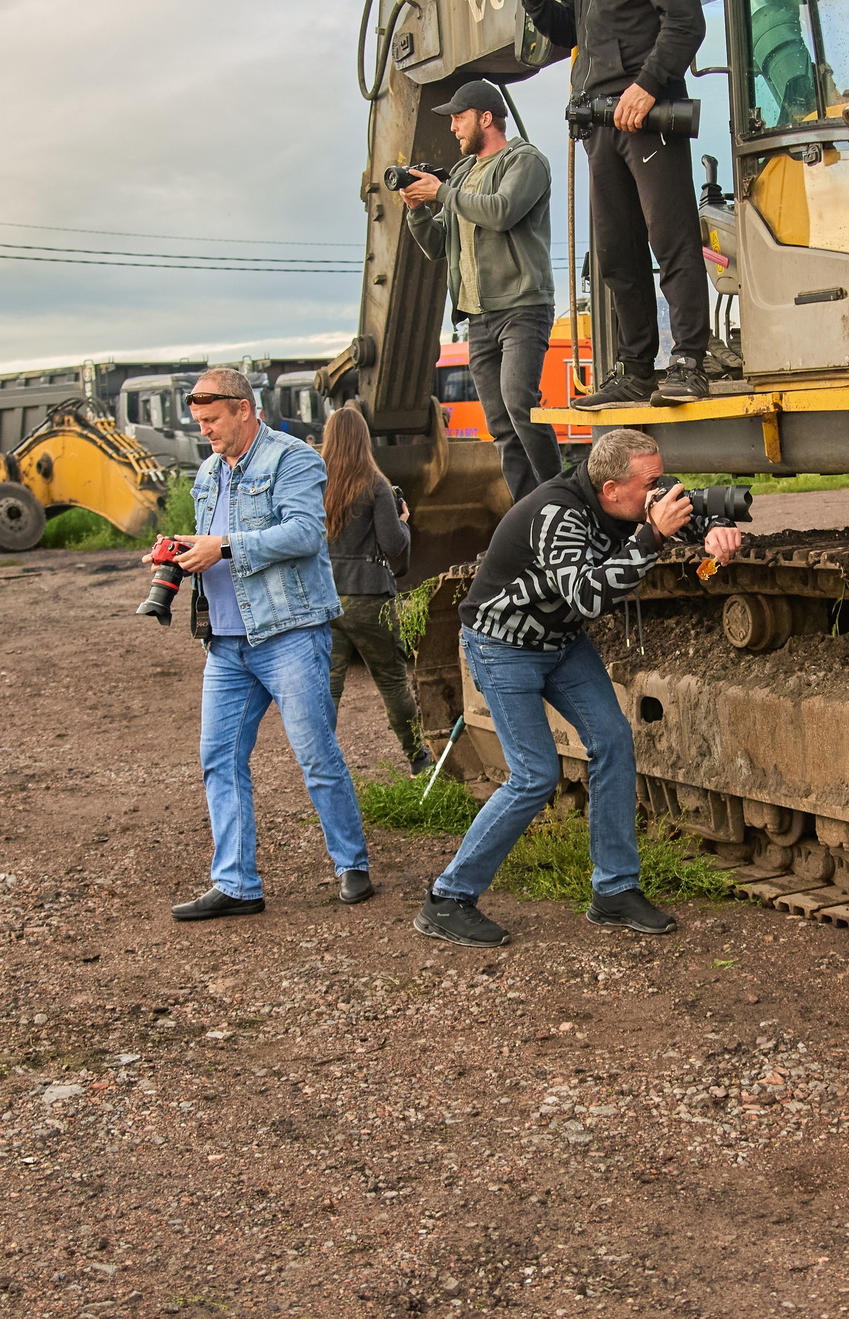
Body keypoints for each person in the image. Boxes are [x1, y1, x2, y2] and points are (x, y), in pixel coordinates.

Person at [412, 427, 741, 949]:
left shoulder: (631, 495)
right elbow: (588, 596)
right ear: (611, 489)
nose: (661, 491)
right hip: (503, 646)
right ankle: (448, 898)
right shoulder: (558, 514)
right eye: (650, 483)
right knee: (535, 775)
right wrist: (651, 538)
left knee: (612, 741)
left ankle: (615, 891)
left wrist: (717, 528)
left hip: (561, 642)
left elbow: (688, 507)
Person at [501, 0, 712, 410]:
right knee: (617, 252)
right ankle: (637, 368)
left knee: (671, 240)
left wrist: (646, 87)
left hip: (645, 119)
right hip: (600, 125)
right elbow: (569, 30)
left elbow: (686, 23)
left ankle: (689, 361)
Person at [163, 366, 374, 919]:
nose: (205, 431)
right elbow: (213, 542)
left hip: (288, 634)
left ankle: (351, 863)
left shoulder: (292, 459)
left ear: (244, 409)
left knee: (315, 754)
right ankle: (236, 885)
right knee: (219, 759)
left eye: (213, 420)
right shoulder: (208, 471)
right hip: (225, 644)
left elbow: (306, 532)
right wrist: (183, 553)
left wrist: (223, 546)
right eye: (200, 422)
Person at [397, 77, 560, 500]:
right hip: (478, 317)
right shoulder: (463, 173)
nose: (453, 127)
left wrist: (442, 192)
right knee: (501, 427)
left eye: (459, 118)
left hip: (522, 307)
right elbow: (437, 245)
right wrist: (417, 210)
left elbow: (502, 211)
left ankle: (561, 499)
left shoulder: (525, 161)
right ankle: (529, 512)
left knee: (520, 405)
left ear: (486, 118)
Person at [319, 405, 428, 774]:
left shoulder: (315, 482)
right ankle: (418, 759)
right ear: (363, 440)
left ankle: (320, 763)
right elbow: (393, 544)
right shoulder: (374, 484)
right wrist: (404, 522)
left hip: (325, 597)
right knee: (393, 682)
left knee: (328, 686)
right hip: (369, 598)